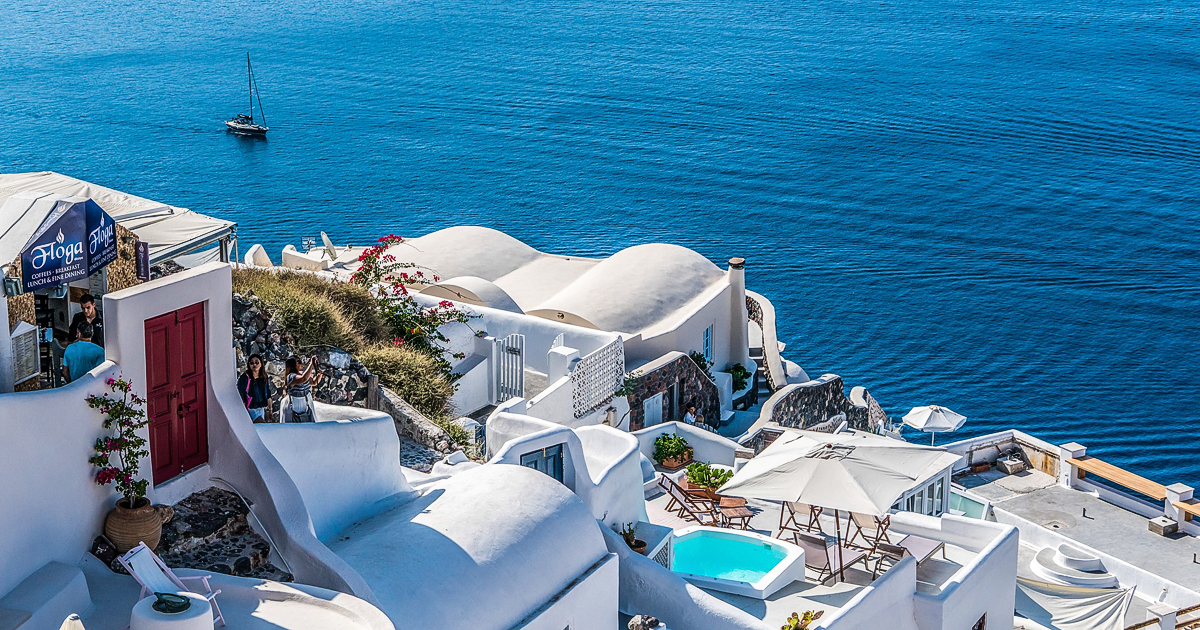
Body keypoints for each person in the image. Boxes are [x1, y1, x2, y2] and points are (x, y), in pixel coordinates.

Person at [283, 354, 323, 423]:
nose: (301, 363)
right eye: (298, 361)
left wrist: (319, 375)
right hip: (296, 403)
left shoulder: (302, 373)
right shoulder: (291, 376)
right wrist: (311, 363)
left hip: (306, 401)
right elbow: (303, 379)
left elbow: (313, 382)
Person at [237, 354, 272, 422]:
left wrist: (270, 410)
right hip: (251, 408)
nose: (254, 365)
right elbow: (242, 393)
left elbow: (268, 393)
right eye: (252, 363)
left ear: (261, 364)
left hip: (261, 407)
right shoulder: (245, 377)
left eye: (257, 362)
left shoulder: (264, 377)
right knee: (261, 425)